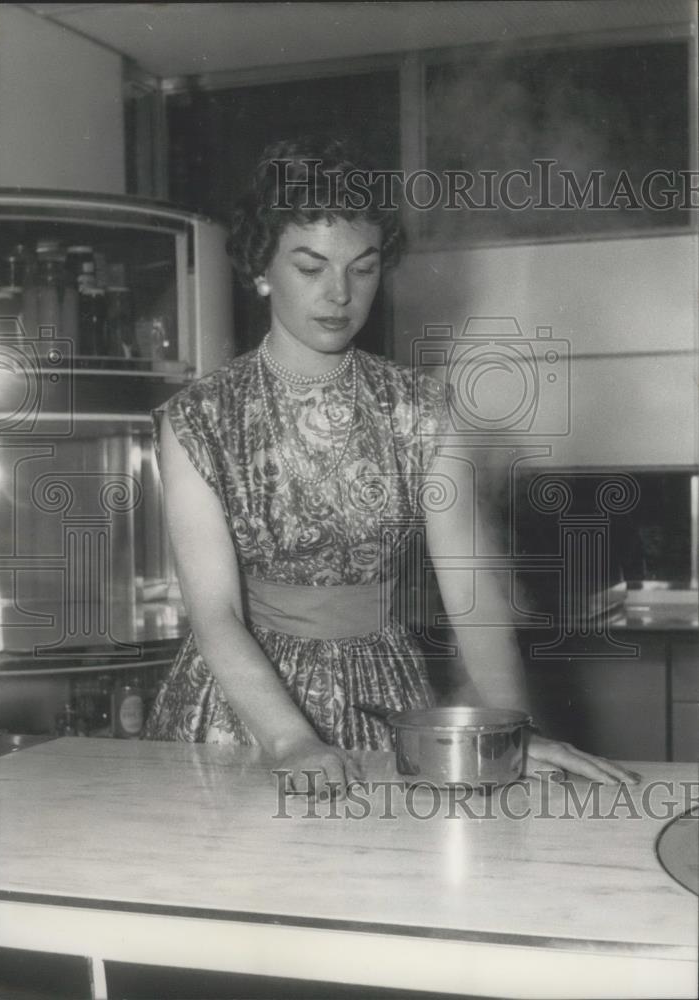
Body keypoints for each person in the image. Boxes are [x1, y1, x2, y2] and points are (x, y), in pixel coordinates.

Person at [142, 136, 637, 795]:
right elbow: (216, 614)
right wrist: (292, 740)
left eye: (362, 268)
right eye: (310, 267)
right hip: (241, 713)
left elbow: (472, 595)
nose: (339, 293)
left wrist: (513, 731)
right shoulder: (198, 418)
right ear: (262, 266)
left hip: (382, 698)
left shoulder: (423, 409)